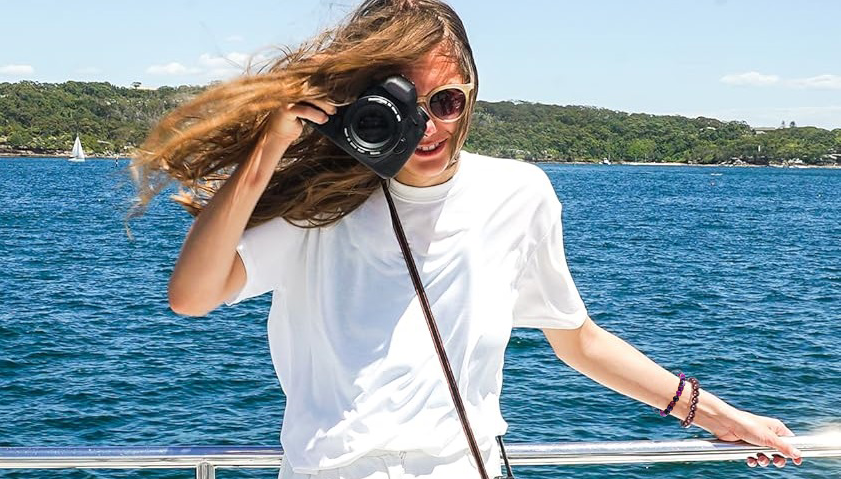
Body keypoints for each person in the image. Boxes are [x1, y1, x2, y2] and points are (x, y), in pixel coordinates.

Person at [130, 0, 803, 476]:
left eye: (446, 102)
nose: (428, 127)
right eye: (400, 107)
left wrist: (718, 414)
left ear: (473, 96)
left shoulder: (518, 194)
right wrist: (271, 147)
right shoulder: (325, 206)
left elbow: (578, 337)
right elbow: (192, 296)